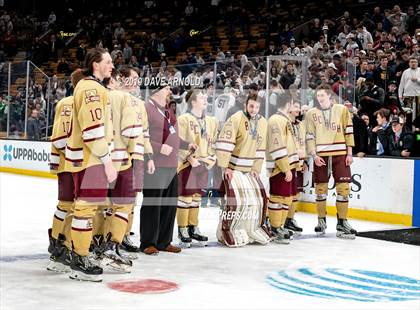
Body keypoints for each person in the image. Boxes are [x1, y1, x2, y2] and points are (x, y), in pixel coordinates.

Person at [65, 48, 116, 282]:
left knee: (87, 208)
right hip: (90, 160)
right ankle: (80, 258)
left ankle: (80, 254)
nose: (112, 66)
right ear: (95, 64)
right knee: (85, 209)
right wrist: (107, 162)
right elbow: (93, 131)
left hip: (90, 158)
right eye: (108, 62)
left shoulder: (93, 87)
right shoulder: (91, 88)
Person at [215, 93, 270, 247]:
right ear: (246, 104)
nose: (254, 109)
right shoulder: (236, 118)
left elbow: (260, 148)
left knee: (257, 201)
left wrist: (256, 168)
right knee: (235, 202)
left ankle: (250, 229)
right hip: (233, 168)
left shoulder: (262, 123)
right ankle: (225, 229)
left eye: (257, 107)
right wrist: (226, 166)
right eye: (251, 106)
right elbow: (225, 142)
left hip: (249, 170)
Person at [305, 84, 357, 239]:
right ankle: (321, 221)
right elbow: (309, 136)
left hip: (340, 154)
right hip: (320, 156)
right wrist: (313, 155)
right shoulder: (311, 114)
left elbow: (349, 131)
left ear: (329, 96)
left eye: (323, 95)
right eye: (318, 95)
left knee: (343, 190)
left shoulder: (342, 110)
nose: (320, 98)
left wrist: (349, 153)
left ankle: (342, 222)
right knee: (320, 191)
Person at [47, 69, 84, 273]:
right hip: (70, 162)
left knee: (76, 206)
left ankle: (66, 244)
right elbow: (61, 136)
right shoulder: (68, 102)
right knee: (67, 204)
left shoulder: (75, 101)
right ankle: (58, 245)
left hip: (76, 162)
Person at [140, 83, 181, 255]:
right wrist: (158, 147)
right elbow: (141, 135)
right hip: (155, 164)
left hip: (172, 165)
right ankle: (148, 242)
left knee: (170, 203)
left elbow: (174, 135)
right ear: (156, 91)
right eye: (166, 88)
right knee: (153, 203)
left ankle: (164, 241)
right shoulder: (146, 108)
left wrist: (186, 144)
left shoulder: (167, 110)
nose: (169, 92)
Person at [118, 66, 155, 252]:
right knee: (113, 200)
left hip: (137, 158)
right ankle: (108, 236)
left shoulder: (140, 104)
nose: (137, 82)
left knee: (131, 199)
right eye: (133, 78)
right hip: (119, 156)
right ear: (122, 78)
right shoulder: (113, 97)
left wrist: (148, 157)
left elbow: (145, 133)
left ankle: (124, 235)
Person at [176, 89, 218, 247]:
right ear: (193, 102)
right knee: (185, 197)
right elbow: (178, 141)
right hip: (189, 164)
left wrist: (212, 156)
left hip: (204, 163)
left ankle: (193, 227)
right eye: (201, 97)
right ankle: (182, 229)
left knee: (196, 198)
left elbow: (213, 141)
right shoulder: (184, 119)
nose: (205, 99)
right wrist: (189, 158)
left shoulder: (211, 121)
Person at [266, 92, 300, 244]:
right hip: (280, 167)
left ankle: (279, 226)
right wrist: (285, 167)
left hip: (289, 166)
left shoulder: (286, 120)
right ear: (288, 103)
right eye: (294, 104)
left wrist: (295, 165)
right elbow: (277, 146)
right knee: (277, 198)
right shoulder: (276, 120)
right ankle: (274, 227)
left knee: (287, 197)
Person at [285, 100, 306, 235]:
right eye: (296, 107)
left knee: (296, 193)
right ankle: (276, 219)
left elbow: (303, 143)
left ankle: (290, 219)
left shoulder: (301, 125)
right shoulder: (284, 123)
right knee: (285, 194)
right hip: (287, 162)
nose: (298, 109)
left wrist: (304, 161)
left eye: (299, 107)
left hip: (299, 162)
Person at [399, 57, 420, 128]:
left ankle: (417, 132)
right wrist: (400, 96)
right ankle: (408, 131)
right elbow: (401, 85)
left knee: (418, 115)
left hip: (418, 96)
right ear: (409, 63)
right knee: (407, 115)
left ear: (417, 63)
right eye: (412, 62)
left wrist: (417, 80)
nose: (413, 63)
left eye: (415, 62)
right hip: (407, 96)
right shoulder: (405, 72)